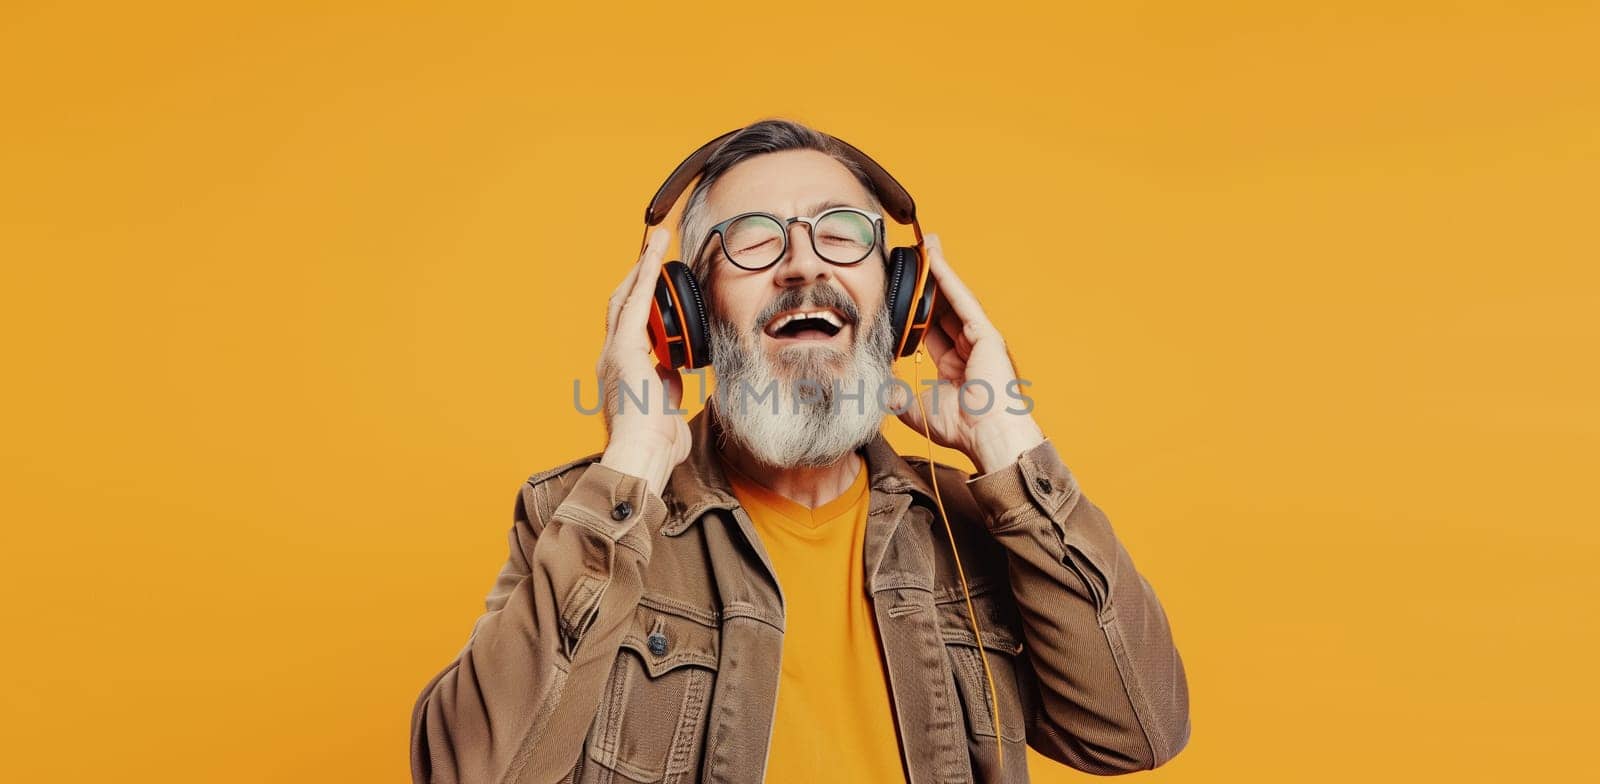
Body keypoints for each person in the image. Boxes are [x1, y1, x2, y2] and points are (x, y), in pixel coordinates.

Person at [410, 119, 1190, 783]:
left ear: (902, 295)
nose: (804, 264)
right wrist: (635, 459)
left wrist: (1007, 439)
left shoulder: (972, 525)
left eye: (842, 234)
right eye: (751, 241)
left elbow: (1137, 731)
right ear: (682, 311)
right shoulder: (583, 521)